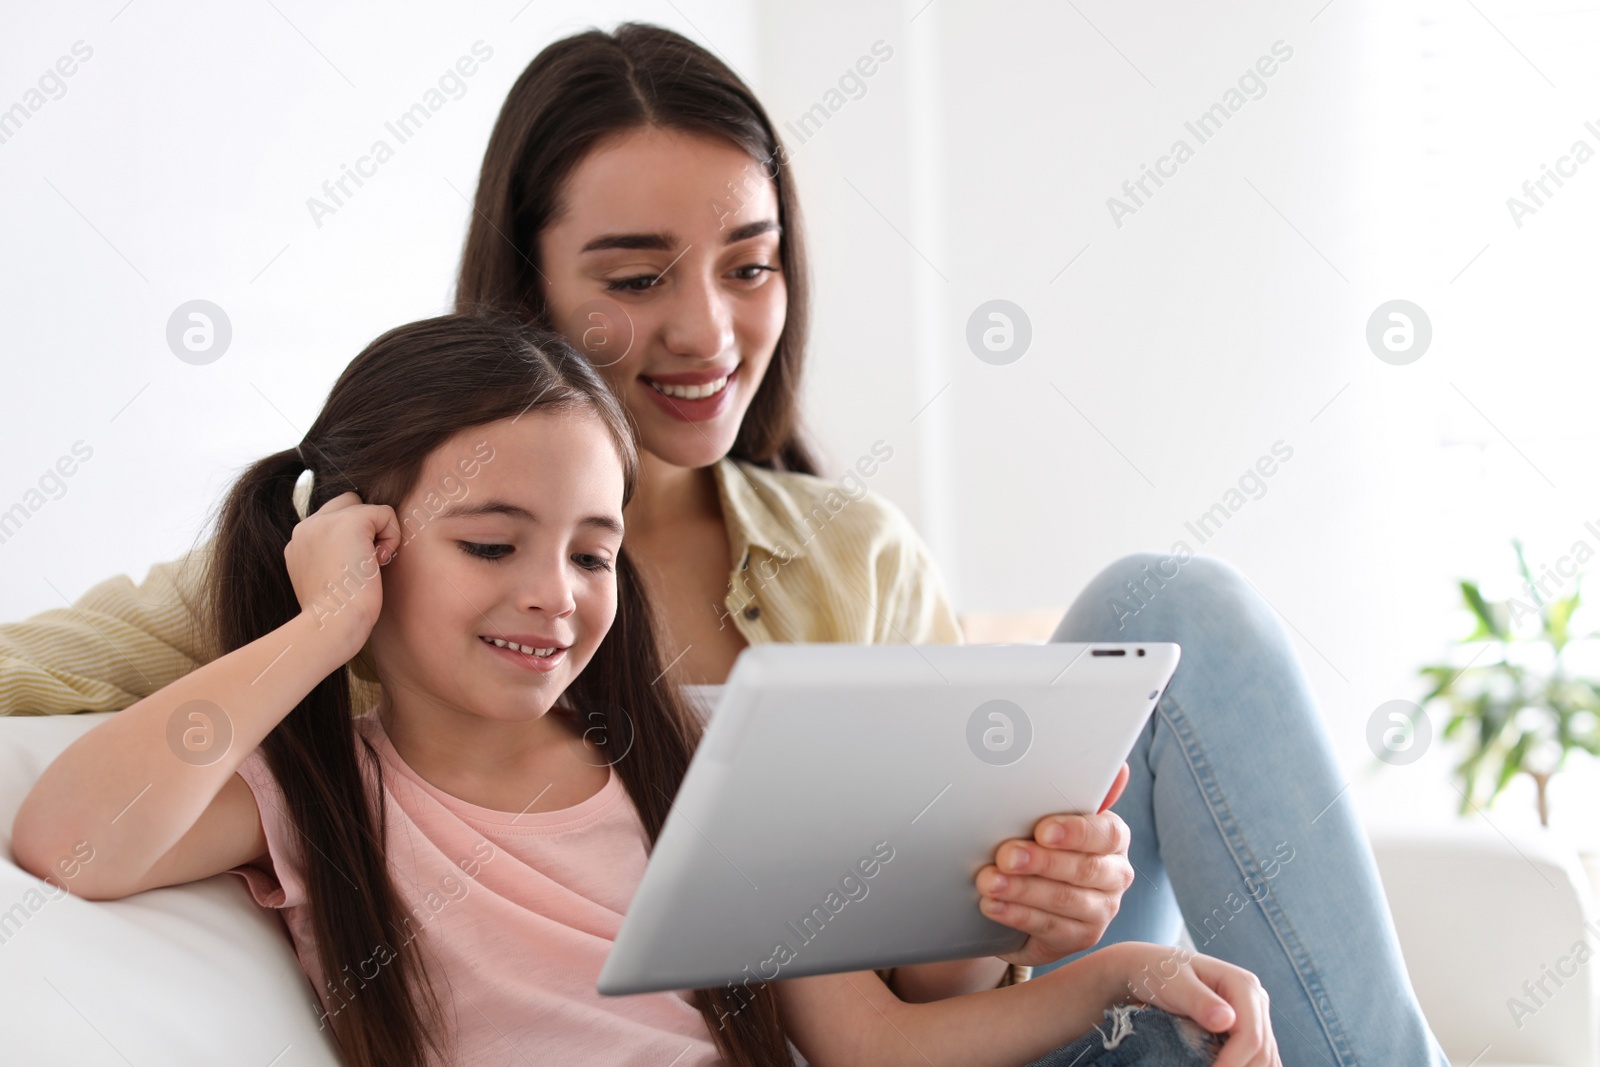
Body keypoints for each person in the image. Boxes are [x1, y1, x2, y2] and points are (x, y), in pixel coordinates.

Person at [0, 21, 1442, 1066]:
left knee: (1169, 604)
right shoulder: (355, 627)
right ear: (527, 286)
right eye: (637, 276)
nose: (707, 332)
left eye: (749, 267)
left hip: (962, 1026)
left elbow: (905, 989)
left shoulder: (824, 575)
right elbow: (67, 789)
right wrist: (316, 620)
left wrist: (1024, 903)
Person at [10, 313, 1275, 1066]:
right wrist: (322, 623)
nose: (555, 592)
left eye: (593, 551)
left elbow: (876, 1046)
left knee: (1175, 1030)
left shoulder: (703, 764)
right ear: (366, 538)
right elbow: (67, 841)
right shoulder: (320, 794)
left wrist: (1123, 973)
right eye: (491, 543)